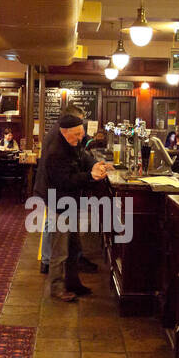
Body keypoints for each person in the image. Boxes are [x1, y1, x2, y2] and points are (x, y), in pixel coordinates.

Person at [41, 113, 110, 302]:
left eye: (82, 133)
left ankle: (73, 283)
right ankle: (56, 287)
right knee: (60, 251)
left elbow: (85, 157)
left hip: (71, 203)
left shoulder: (73, 143)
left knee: (73, 247)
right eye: (77, 134)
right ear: (64, 132)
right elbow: (65, 181)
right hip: (60, 205)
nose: (81, 138)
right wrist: (90, 176)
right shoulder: (55, 152)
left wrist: (96, 164)